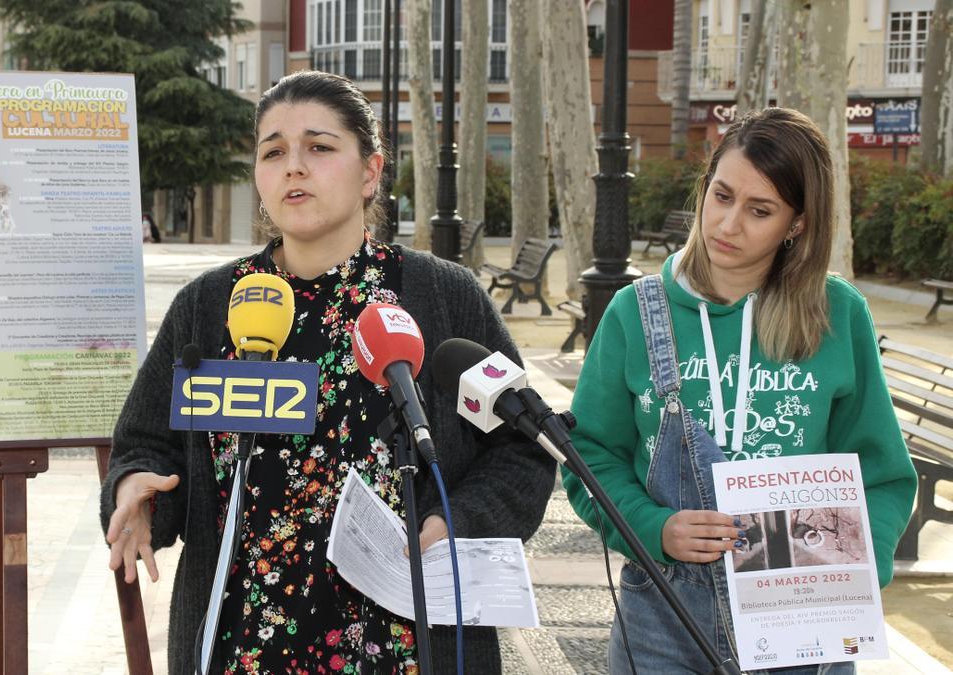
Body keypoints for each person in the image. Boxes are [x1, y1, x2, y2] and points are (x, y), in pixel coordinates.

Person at [100, 70, 556, 674]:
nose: (294, 166)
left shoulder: (444, 299)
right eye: (273, 152)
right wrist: (137, 489)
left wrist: (454, 523)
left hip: (406, 644)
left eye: (319, 147)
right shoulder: (207, 307)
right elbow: (147, 444)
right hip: (243, 645)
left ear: (370, 171)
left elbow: (522, 449)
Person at [563, 107, 917, 673]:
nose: (728, 225)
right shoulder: (634, 312)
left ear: (796, 224)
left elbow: (885, 475)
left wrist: (851, 571)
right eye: (721, 196)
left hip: (805, 616)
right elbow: (588, 457)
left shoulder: (838, 314)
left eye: (760, 211)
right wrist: (652, 529)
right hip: (664, 612)